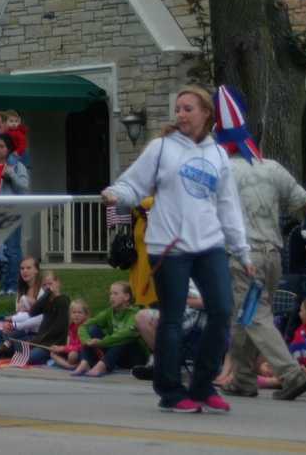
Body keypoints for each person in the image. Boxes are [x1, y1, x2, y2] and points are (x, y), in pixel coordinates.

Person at [102, 85, 253, 414]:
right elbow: (133, 184)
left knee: (222, 310)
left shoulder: (217, 156)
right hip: (168, 246)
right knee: (171, 320)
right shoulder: (161, 148)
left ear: (205, 115)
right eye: (179, 108)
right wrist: (117, 194)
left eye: (188, 108)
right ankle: (170, 391)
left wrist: (243, 251)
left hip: (209, 243)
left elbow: (229, 207)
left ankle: (201, 384)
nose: (181, 114)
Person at [213, 87, 306, 401]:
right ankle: (244, 379)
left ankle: (291, 374)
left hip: (243, 257)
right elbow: (304, 201)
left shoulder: (222, 171)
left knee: (253, 316)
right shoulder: (271, 168)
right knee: (244, 316)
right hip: (273, 255)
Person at [0, 133, 29, 296]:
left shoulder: (17, 165)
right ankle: (4, 285)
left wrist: (12, 176)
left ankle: (14, 285)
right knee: (0, 250)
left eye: (2, 147)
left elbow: (23, 187)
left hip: (12, 212)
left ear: (9, 149)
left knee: (13, 249)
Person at [71, 282, 146, 377]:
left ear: (126, 297)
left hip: (135, 358)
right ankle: (85, 362)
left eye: (115, 294)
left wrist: (102, 342)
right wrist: (88, 341)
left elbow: (127, 334)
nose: (111, 297)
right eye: (110, 294)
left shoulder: (135, 313)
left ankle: (102, 366)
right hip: (117, 356)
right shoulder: (109, 312)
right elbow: (84, 326)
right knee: (93, 329)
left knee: (123, 338)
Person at [50, 299, 87, 370]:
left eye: (80, 312)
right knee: (53, 353)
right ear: (70, 314)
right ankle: (69, 366)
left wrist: (62, 348)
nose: (76, 315)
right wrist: (59, 348)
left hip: (82, 353)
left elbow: (81, 346)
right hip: (71, 350)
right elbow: (69, 345)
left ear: (85, 315)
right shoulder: (71, 327)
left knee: (72, 355)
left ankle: (70, 364)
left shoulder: (85, 327)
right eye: (74, 312)